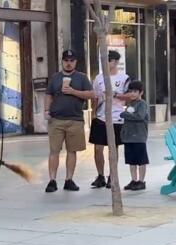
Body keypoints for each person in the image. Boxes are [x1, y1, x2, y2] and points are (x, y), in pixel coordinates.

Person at [44, 49, 95, 193]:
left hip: (75, 119)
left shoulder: (82, 78)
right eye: (66, 60)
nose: (68, 63)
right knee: (54, 150)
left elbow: (91, 94)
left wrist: (73, 92)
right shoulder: (55, 77)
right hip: (56, 119)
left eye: (71, 61)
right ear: (62, 61)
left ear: (75, 62)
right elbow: (48, 95)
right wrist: (46, 110)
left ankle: (69, 179)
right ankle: (52, 180)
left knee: (72, 151)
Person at [89, 50, 131, 189]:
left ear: (115, 62)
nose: (106, 63)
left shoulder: (124, 78)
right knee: (97, 148)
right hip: (101, 116)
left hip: (117, 117)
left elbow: (130, 96)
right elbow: (95, 96)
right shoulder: (99, 78)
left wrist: (115, 94)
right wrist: (94, 114)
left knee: (113, 148)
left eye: (109, 60)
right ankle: (100, 175)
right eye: (104, 60)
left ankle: (112, 175)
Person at [120, 80, 149, 191]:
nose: (132, 93)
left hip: (139, 137)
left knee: (141, 160)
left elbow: (139, 116)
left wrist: (125, 114)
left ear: (141, 92)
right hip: (128, 138)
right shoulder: (130, 104)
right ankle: (134, 180)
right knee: (131, 161)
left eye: (135, 91)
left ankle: (141, 181)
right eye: (130, 91)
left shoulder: (142, 104)